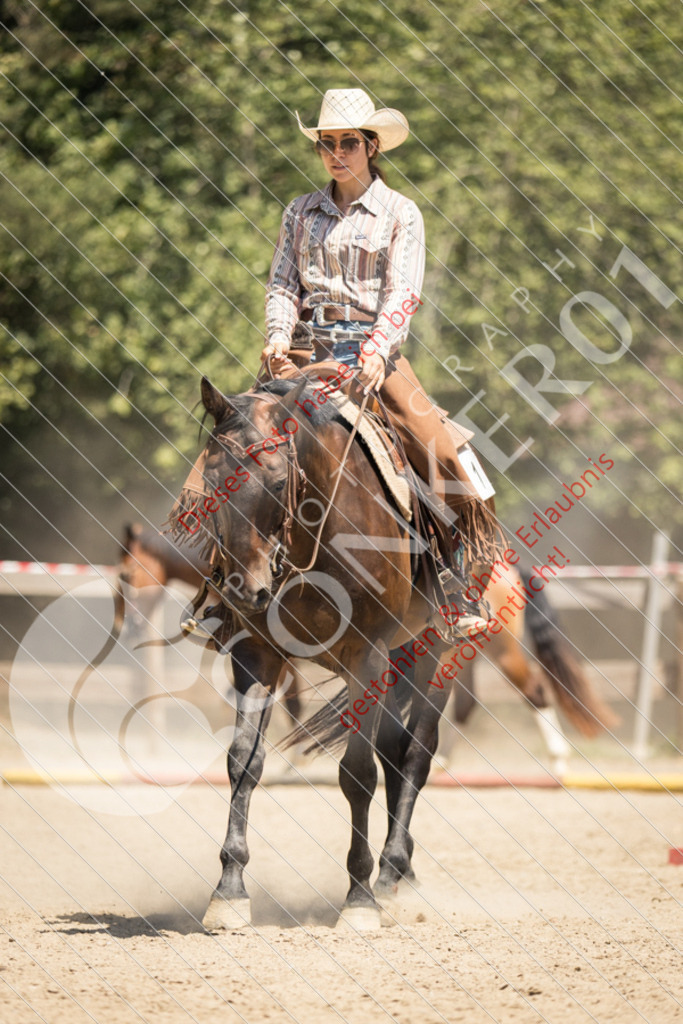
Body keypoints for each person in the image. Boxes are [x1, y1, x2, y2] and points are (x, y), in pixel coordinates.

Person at [262, 88, 499, 636]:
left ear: (371, 146)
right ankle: (220, 582)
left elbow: (403, 294)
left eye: (348, 142)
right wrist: (276, 335)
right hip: (302, 351)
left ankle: (455, 583)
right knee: (236, 442)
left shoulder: (401, 213)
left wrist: (374, 350)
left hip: (375, 354)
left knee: (443, 451)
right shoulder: (299, 212)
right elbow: (282, 283)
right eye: (327, 143)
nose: (336, 152)